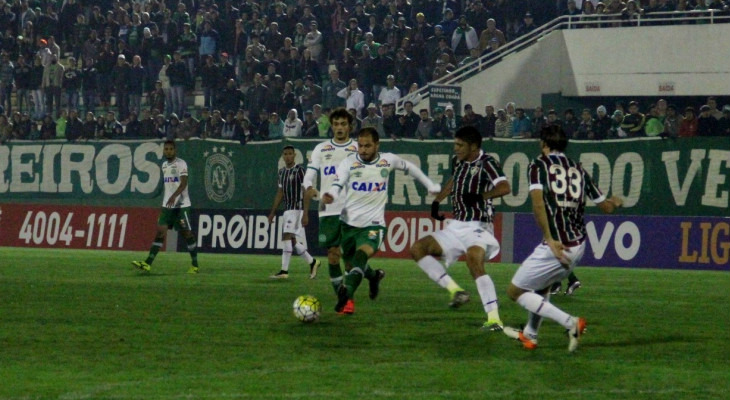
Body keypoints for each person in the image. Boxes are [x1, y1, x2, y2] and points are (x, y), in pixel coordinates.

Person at [504, 125, 623, 352]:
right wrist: (617, 201)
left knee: (514, 292)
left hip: (558, 244)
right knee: (541, 288)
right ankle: (530, 334)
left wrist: (549, 237)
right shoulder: (578, 169)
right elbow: (606, 207)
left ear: (544, 144)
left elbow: (538, 203)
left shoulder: (538, 165)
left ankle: (571, 323)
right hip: (578, 243)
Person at [322, 127, 442, 314]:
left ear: (377, 145)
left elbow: (411, 168)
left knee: (360, 257)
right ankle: (374, 276)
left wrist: (430, 185)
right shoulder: (349, 162)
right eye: (360, 146)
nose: (363, 150)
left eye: (368, 146)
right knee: (351, 264)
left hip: (373, 225)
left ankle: (347, 296)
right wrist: (332, 193)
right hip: (348, 224)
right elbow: (338, 182)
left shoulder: (388, 160)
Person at [410, 126, 511, 331]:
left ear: (473, 146)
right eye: (455, 144)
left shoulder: (487, 163)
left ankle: (494, 319)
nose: (455, 148)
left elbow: (505, 187)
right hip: (456, 227)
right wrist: (438, 200)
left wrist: (481, 196)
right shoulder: (459, 162)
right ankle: (456, 291)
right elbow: (454, 180)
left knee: (474, 261)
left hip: (479, 227)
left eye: (460, 145)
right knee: (418, 248)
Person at [301, 108, 384, 312]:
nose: (339, 128)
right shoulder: (321, 149)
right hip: (328, 210)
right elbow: (309, 175)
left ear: (350, 126)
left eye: (343, 124)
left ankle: (371, 278)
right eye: (336, 124)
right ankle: (347, 299)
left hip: (353, 210)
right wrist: (309, 187)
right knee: (332, 254)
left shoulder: (359, 148)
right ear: (332, 126)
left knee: (350, 261)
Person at [133, 140, 200, 274]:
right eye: (166, 149)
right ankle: (147, 263)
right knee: (160, 232)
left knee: (187, 234)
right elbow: (167, 185)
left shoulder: (181, 164)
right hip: (167, 206)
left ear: (175, 151)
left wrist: (174, 196)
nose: (168, 151)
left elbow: (183, 184)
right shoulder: (164, 165)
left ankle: (195, 265)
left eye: (170, 149)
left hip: (181, 205)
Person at [268, 145, 321, 279]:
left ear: (294, 155)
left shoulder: (300, 171)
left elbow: (306, 191)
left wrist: (305, 213)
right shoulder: (282, 173)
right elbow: (280, 193)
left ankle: (284, 271)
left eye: (290, 154)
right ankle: (313, 262)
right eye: (285, 154)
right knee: (292, 241)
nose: (287, 156)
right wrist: (273, 212)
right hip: (287, 210)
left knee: (286, 236)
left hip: (297, 209)